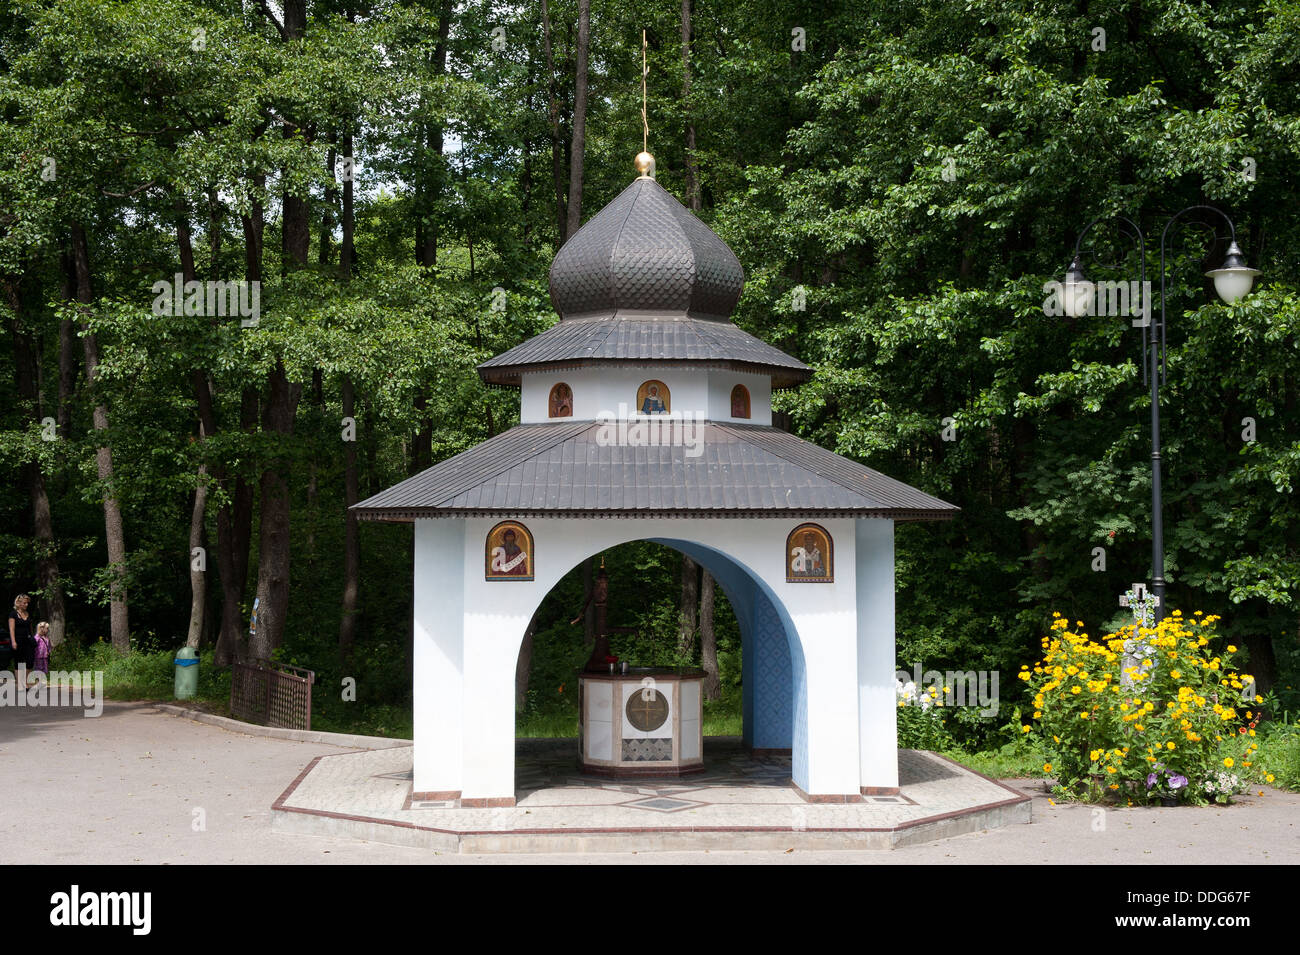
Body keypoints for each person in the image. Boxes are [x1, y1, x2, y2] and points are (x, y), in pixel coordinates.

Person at [8, 594, 35, 681]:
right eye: (25, 603)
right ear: (19, 603)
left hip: (28, 641)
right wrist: (13, 642)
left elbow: (30, 628)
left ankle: (25, 681)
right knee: (18, 663)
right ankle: (21, 683)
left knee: (30, 662)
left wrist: (33, 638)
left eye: (27, 603)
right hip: (18, 640)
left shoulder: (27, 614)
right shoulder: (13, 614)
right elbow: (11, 629)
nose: (26, 605)